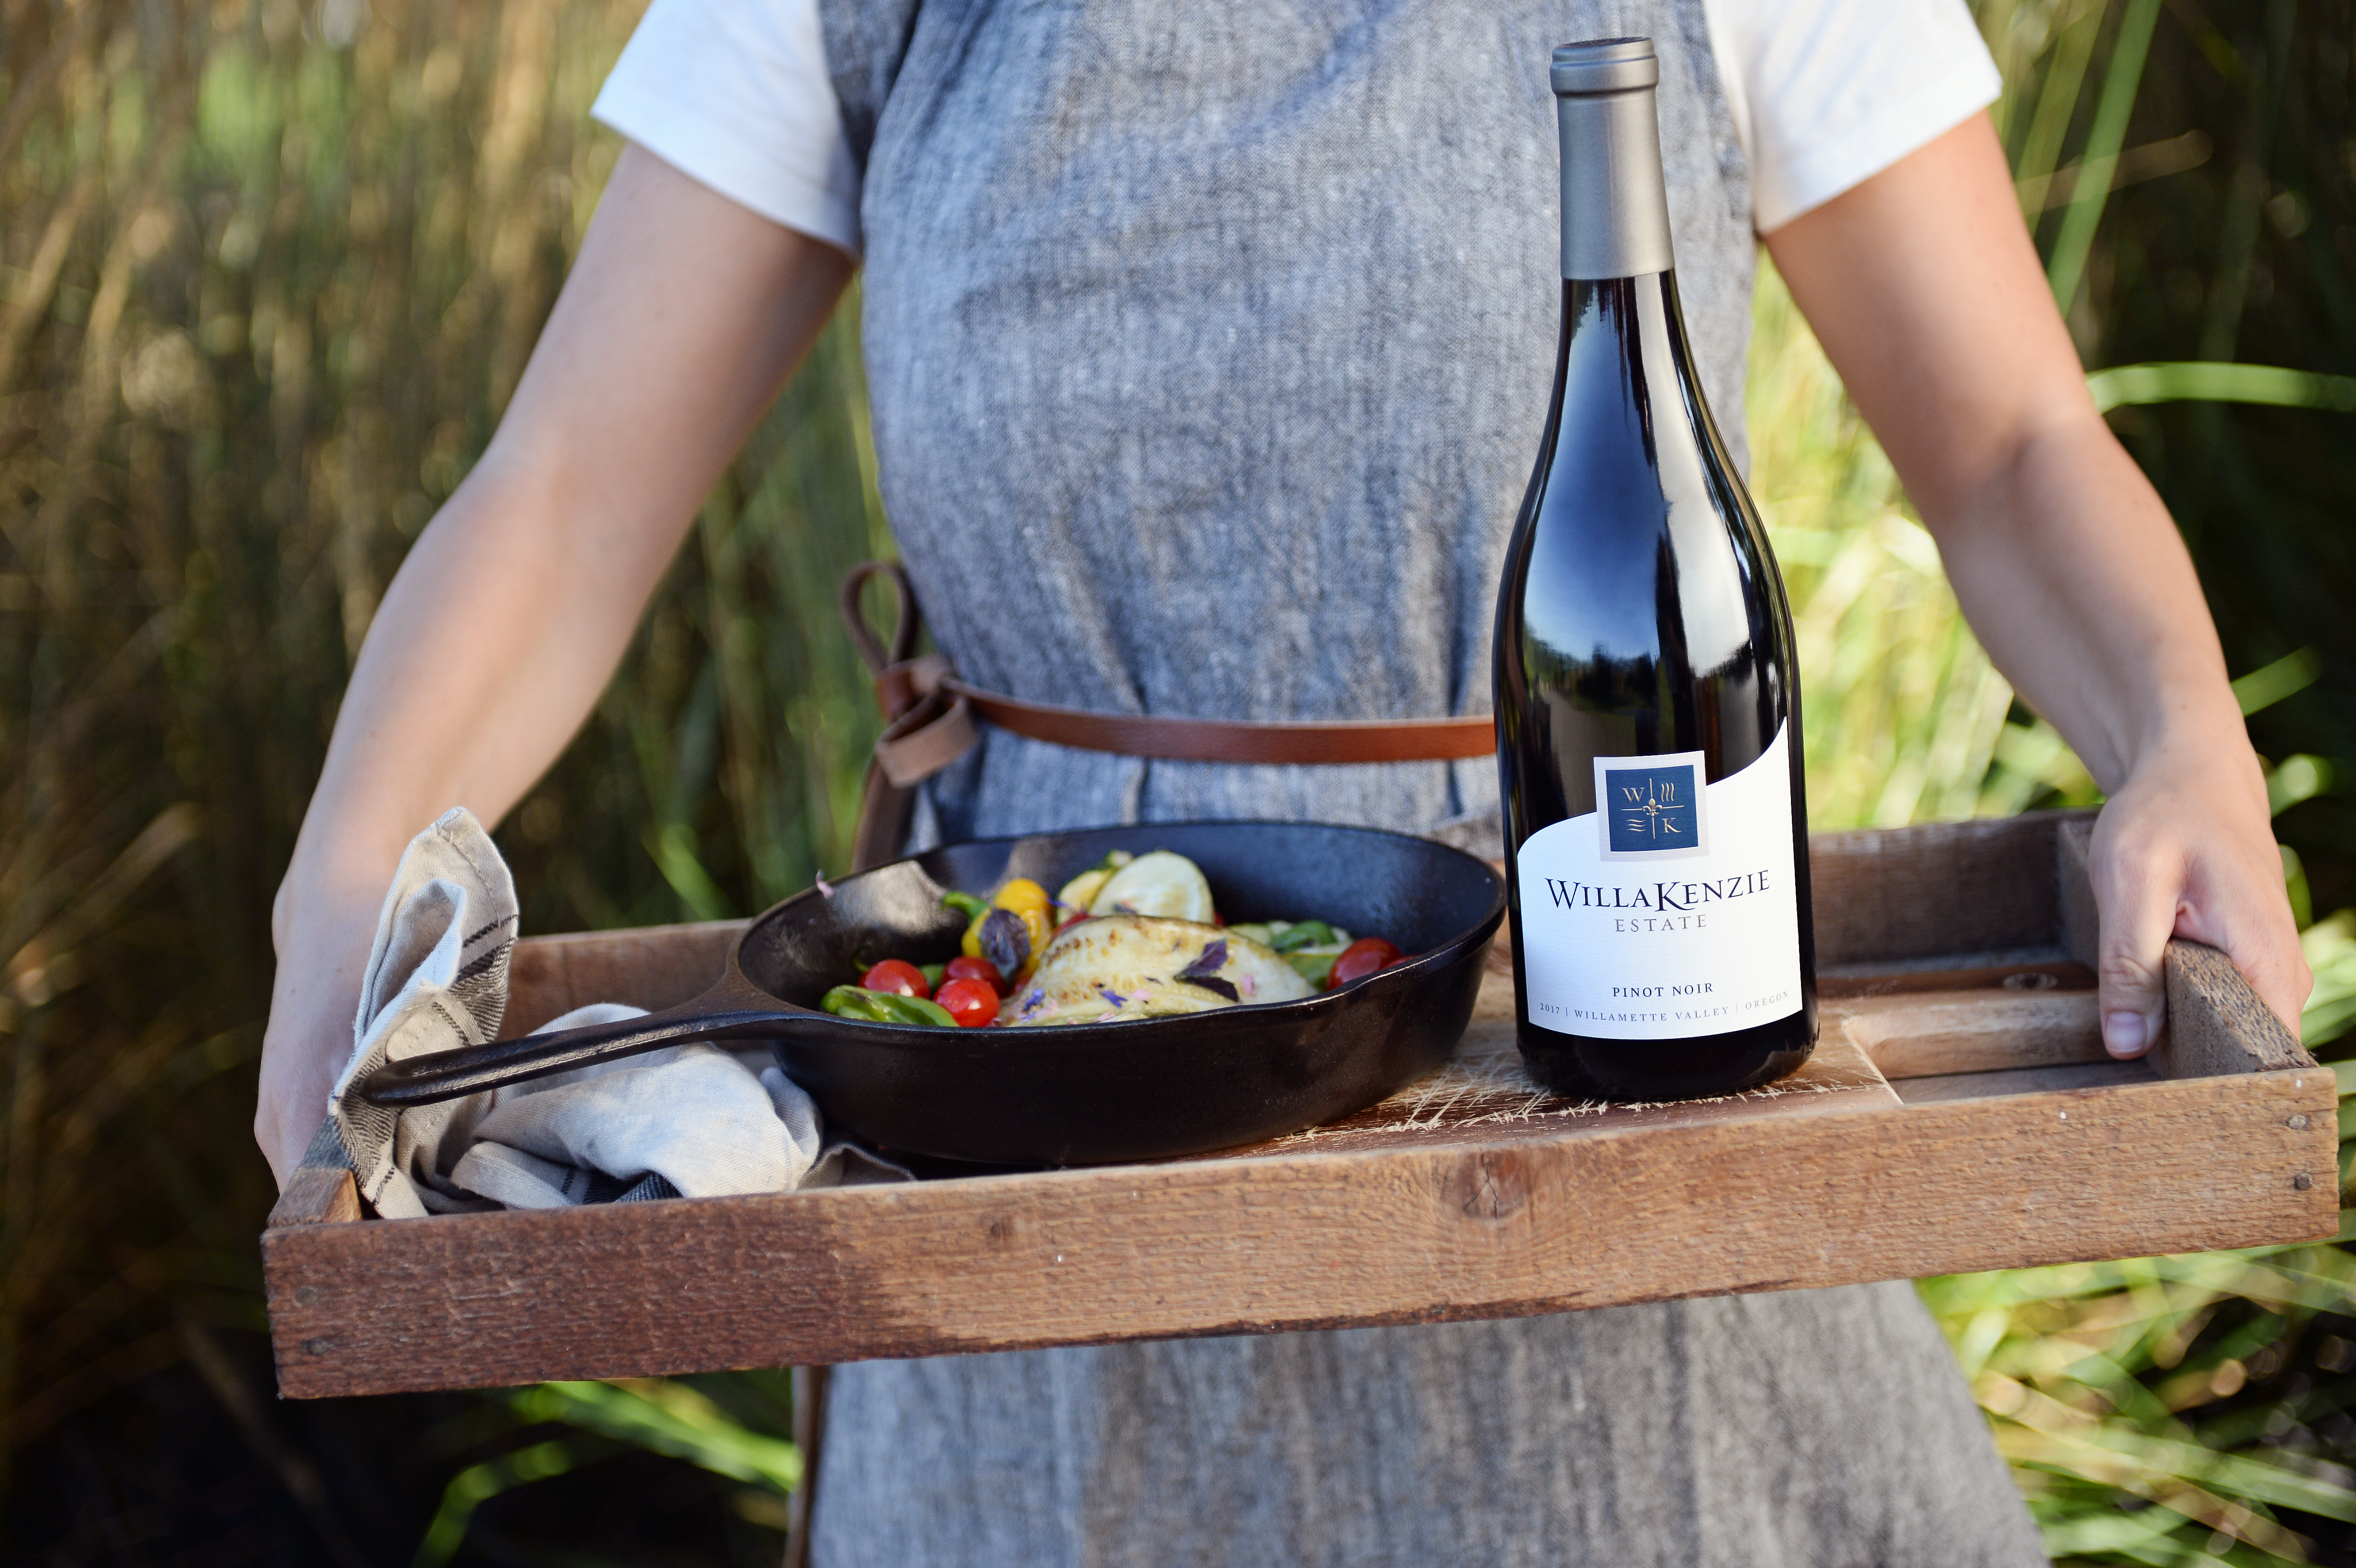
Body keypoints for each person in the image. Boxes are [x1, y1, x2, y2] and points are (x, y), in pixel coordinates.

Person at [255, 0, 2313, 1560]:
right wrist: (352, 863)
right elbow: (568, 491)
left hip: (1592, 1052)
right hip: (1026, 1155)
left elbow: (2013, 440)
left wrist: (2172, 729)